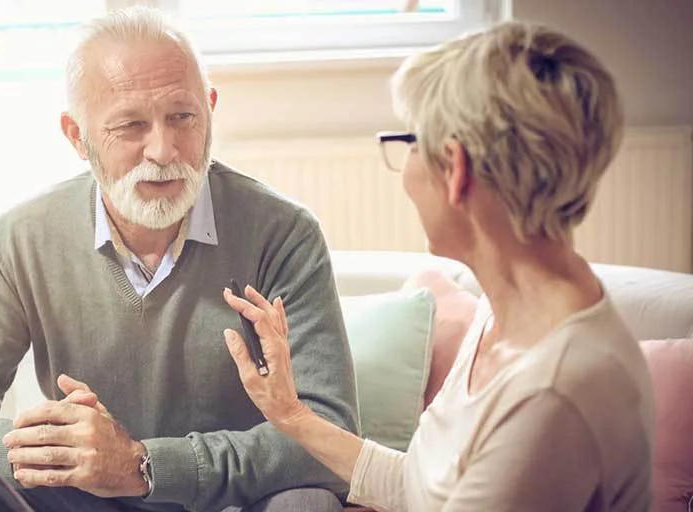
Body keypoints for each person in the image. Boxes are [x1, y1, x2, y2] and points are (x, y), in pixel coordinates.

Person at [0, 6, 358, 512]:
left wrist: (143, 465)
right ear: (76, 135)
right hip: (79, 500)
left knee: (307, 502)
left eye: (182, 117)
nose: (164, 150)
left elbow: (332, 433)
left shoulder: (283, 234)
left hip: (223, 500)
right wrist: (53, 454)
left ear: (210, 109)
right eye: (130, 126)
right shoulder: (22, 236)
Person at [222, 21, 654, 512]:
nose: (404, 170)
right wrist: (292, 414)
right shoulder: (507, 312)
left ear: (455, 169)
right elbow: (425, 487)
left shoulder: (555, 390)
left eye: (410, 142)